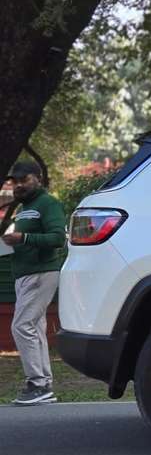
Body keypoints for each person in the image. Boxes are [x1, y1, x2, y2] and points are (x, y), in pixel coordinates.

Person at [2, 160, 66, 405]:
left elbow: (58, 238)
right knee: (34, 328)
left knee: (21, 326)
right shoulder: (24, 209)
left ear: (38, 178)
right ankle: (44, 384)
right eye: (15, 181)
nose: (18, 185)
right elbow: (22, 241)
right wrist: (9, 243)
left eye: (24, 179)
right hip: (25, 275)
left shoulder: (48, 204)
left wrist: (24, 237)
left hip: (41, 272)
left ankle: (37, 384)